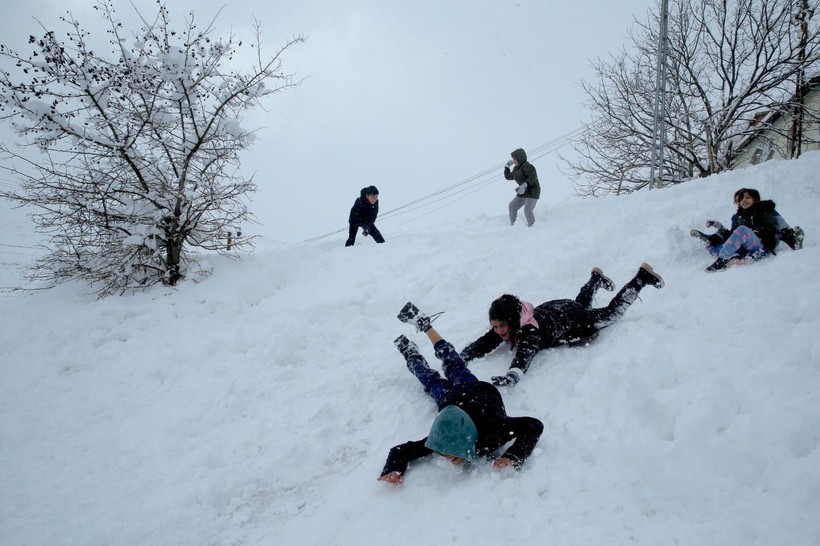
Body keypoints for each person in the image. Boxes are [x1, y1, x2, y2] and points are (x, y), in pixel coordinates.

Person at [378, 304, 544, 485]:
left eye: (450, 449)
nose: (446, 455)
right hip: (453, 402)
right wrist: (393, 468)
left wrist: (513, 455)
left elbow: (533, 425)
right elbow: (400, 451)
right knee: (437, 375)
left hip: (474, 390)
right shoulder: (442, 438)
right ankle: (411, 351)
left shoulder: (494, 431)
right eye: (444, 450)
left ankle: (424, 328)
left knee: (450, 365)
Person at [457, 264, 665, 386]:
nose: (498, 331)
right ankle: (594, 280)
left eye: (501, 326)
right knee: (579, 303)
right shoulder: (511, 323)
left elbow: (524, 355)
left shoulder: (530, 332)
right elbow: (484, 343)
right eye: (495, 326)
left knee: (610, 313)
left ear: (512, 321)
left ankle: (641, 279)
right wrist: (461, 357)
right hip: (559, 308)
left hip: (573, 321)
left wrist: (512, 376)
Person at [689, 187, 803, 272]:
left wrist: (786, 237)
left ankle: (722, 260)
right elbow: (732, 234)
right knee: (710, 245)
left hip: (760, 246)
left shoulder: (763, 211)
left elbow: (773, 228)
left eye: (747, 198)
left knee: (742, 230)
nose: (743, 200)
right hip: (744, 249)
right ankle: (731, 256)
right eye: (741, 199)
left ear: (756, 200)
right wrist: (719, 228)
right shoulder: (739, 216)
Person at [504, 148, 540, 227]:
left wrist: (524, 185)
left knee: (527, 210)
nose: (513, 161)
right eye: (512, 159)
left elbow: (533, 177)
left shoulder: (528, 166)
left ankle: (533, 226)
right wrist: (507, 167)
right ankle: (514, 226)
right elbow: (508, 177)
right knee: (512, 206)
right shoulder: (516, 169)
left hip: (532, 192)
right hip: (523, 192)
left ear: (519, 159)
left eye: (514, 159)